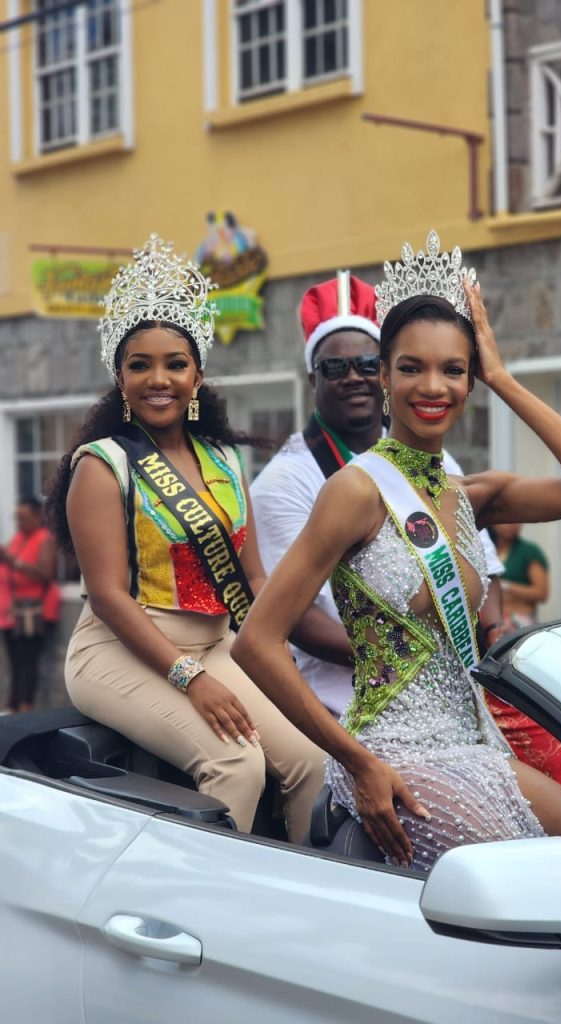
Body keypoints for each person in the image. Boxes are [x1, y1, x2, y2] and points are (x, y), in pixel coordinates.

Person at [233, 231, 561, 890]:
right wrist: (356, 761)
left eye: (454, 369)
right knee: (531, 882)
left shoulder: (463, 492)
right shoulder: (355, 491)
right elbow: (258, 643)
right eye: (411, 367)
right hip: (390, 748)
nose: (434, 386)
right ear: (384, 374)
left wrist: (503, 376)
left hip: (471, 739)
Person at [46, 235, 324, 837]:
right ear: (120, 377)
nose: (158, 378)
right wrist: (189, 678)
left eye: (175, 363)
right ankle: (211, 908)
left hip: (217, 645)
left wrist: (276, 656)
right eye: (139, 364)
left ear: (197, 373)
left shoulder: (224, 461)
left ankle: (305, 895)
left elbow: (252, 579)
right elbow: (109, 598)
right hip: (120, 650)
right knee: (237, 763)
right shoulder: (102, 465)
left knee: (311, 760)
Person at [251, 270, 505, 717]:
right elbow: (297, 618)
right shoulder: (285, 480)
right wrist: (412, 660)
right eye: (334, 366)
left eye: (367, 364)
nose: (353, 377)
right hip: (344, 704)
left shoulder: (438, 463)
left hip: (460, 695)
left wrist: (496, 632)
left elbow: (486, 572)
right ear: (312, 380)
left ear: (384, 375)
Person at [484, 521, 561, 794]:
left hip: (515, 624)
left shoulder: (529, 551)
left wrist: (508, 588)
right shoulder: (488, 547)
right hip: (491, 629)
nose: (511, 525)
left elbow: (541, 592)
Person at [0, 497, 59, 713]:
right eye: (17, 518)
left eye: (24, 518)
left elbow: (45, 574)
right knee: (15, 662)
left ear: (37, 516)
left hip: (34, 611)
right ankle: (12, 705)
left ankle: (25, 706)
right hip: (13, 612)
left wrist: (13, 562)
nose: (20, 522)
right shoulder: (18, 538)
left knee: (27, 661)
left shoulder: (44, 539)